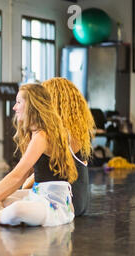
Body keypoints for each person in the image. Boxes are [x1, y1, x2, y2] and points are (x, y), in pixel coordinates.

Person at [0, 83, 78, 227]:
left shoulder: (42, 135)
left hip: (53, 203)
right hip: (39, 194)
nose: (14, 107)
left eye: (19, 102)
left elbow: (17, 175)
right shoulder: (37, 133)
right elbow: (22, 178)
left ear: (32, 105)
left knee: (16, 209)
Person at [40, 77, 95, 216]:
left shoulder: (55, 136)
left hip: (64, 204)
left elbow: (19, 175)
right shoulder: (79, 133)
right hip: (79, 202)